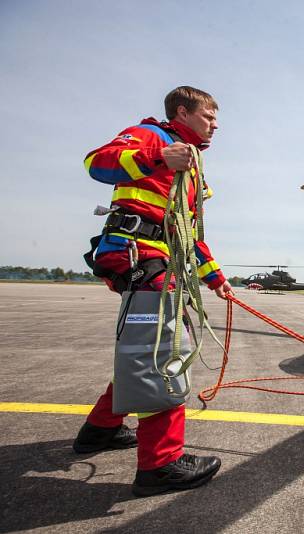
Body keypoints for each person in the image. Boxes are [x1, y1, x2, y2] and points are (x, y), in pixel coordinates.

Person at [74, 86, 234, 497]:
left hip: (163, 259)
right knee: (164, 355)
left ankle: (100, 430)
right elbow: (97, 163)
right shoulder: (154, 138)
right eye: (209, 117)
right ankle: (160, 466)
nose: (215, 125)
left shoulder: (192, 165)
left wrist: (217, 280)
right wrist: (158, 156)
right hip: (141, 256)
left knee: (146, 350)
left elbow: (188, 233)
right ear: (182, 112)